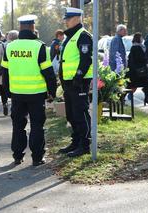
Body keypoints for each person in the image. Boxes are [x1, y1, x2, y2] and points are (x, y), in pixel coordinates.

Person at [1, 15, 56, 166]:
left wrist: (6, 93)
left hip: (17, 94)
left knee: (18, 125)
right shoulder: (40, 47)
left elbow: (4, 72)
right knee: (37, 125)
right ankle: (37, 157)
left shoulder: (10, 47)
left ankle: (17, 155)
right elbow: (48, 72)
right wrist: (52, 91)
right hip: (36, 94)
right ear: (33, 27)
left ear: (20, 28)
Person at [58, 7, 93, 157]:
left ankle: (85, 145)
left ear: (77, 18)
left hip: (79, 82)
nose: (66, 21)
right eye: (66, 18)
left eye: (68, 18)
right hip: (69, 83)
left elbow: (86, 59)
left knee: (80, 113)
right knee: (71, 114)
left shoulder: (83, 35)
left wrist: (78, 77)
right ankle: (76, 141)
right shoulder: (70, 36)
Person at [0, 30, 19, 116]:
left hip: (3, 72)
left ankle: (4, 103)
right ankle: (14, 106)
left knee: (3, 90)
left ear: (8, 37)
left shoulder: (2, 46)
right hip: (16, 73)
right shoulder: (19, 46)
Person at [127, 33, 148, 106]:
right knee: (131, 86)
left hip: (137, 71)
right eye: (141, 37)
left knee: (145, 83)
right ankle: (147, 99)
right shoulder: (136, 47)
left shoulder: (137, 46)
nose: (142, 39)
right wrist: (145, 63)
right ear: (138, 38)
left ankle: (147, 99)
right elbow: (139, 58)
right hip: (138, 71)